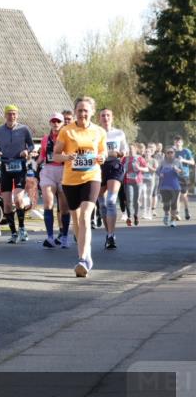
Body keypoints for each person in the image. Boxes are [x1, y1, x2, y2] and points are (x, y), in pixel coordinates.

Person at [52, 96, 106, 277]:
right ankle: (86, 252)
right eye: (80, 110)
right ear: (75, 112)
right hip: (70, 180)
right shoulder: (66, 131)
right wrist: (66, 157)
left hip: (92, 177)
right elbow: (55, 155)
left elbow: (102, 151)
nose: (83, 113)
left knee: (84, 215)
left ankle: (82, 259)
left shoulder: (99, 131)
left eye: (86, 110)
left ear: (92, 112)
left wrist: (102, 157)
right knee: (76, 219)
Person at [0, 105, 34, 243]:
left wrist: (27, 151)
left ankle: (22, 228)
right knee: (7, 204)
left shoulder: (24, 129)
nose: (12, 116)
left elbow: (32, 145)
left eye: (14, 114)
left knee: (19, 199)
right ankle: (13, 232)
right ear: (5, 115)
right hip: (5, 167)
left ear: (17, 115)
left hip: (20, 166)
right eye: (9, 114)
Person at [36, 113, 71, 248]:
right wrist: (33, 164)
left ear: (62, 123)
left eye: (58, 121)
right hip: (48, 171)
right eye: (53, 121)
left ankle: (65, 237)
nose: (55, 124)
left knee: (64, 207)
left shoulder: (67, 138)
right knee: (48, 203)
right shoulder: (45, 139)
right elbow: (42, 156)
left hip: (64, 171)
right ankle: (50, 237)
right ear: (50, 123)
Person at [96, 108, 127, 249]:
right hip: (98, 168)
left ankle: (111, 235)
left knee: (110, 201)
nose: (106, 117)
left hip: (114, 166)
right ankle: (108, 232)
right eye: (103, 115)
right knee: (102, 204)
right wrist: (106, 153)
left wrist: (119, 153)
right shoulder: (95, 132)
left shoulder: (119, 133)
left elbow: (124, 151)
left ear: (112, 117)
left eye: (108, 115)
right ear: (99, 118)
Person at [122, 143, 149, 227]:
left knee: (136, 200)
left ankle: (136, 215)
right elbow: (120, 168)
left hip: (138, 182)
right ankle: (129, 217)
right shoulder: (125, 159)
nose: (130, 151)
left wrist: (139, 168)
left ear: (135, 150)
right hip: (128, 181)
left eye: (132, 149)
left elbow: (147, 169)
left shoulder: (140, 158)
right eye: (129, 149)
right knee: (129, 199)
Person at [156, 147, 184, 226]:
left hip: (175, 186)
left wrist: (177, 170)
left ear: (174, 153)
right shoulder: (162, 162)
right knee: (166, 204)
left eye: (171, 152)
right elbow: (157, 171)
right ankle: (166, 215)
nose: (170, 154)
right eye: (168, 153)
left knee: (174, 204)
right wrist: (160, 174)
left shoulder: (177, 161)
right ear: (166, 154)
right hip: (164, 186)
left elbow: (182, 173)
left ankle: (172, 220)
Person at [171, 135, 193, 221]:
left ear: (182, 143)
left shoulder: (186, 151)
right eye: (176, 142)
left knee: (184, 195)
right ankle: (177, 213)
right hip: (175, 176)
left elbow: (192, 162)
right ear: (174, 143)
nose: (177, 143)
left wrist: (183, 160)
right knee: (176, 195)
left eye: (179, 142)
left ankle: (186, 209)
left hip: (184, 176)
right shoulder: (172, 152)